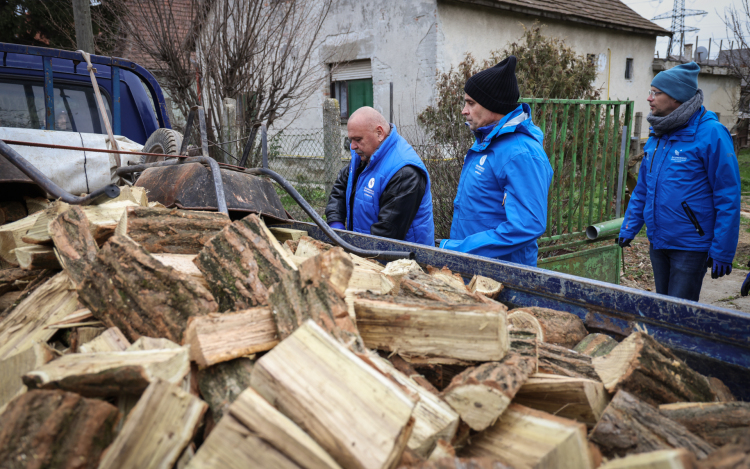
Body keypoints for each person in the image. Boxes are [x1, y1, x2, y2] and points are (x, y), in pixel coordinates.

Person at [618, 62, 740, 302]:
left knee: (679, 313)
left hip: (690, 245)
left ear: (677, 98)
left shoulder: (711, 134)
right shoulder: (659, 132)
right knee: (664, 306)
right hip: (658, 240)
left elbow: (728, 195)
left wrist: (722, 251)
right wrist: (630, 226)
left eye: (656, 93)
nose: (649, 98)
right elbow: (643, 187)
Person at [438, 56, 553, 266]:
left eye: (471, 103)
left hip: (503, 276)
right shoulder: (486, 143)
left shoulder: (520, 153)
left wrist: (458, 250)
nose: (464, 111)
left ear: (493, 106)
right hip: (475, 267)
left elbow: (528, 225)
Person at [325, 106, 434, 245]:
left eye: (358, 139)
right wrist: (336, 224)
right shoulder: (362, 157)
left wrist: (350, 250)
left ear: (379, 133)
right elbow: (341, 188)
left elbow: (387, 234)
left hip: (401, 263)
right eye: (351, 139)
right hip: (367, 255)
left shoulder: (405, 173)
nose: (352, 146)